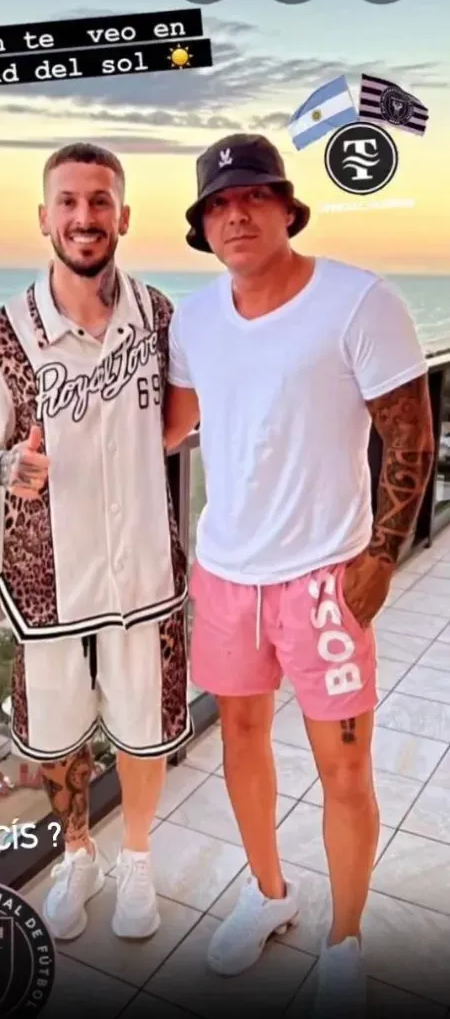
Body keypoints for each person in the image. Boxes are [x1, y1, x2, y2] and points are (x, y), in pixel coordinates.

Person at [164, 133, 434, 1015]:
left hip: (325, 578)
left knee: (343, 767)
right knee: (240, 739)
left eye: (253, 195)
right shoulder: (194, 321)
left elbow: (411, 436)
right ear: (204, 226)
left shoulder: (359, 301)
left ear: (286, 206)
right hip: (225, 573)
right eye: (218, 203)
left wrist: (383, 557)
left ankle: (345, 940)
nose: (235, 214)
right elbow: (175, 424)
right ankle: (268, 895)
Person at [0, 142, 191, 943]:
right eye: (69, 202)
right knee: (56, 737)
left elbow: (183, 416)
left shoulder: (161, 318)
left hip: (143, 571)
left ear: (124, 215)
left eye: (100, 201)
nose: (85, 216)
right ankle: (78, 851)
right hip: (46, 583)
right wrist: (3, 464)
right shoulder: (2, 334)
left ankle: (137, 857)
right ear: (44, 217)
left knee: (144, 731)